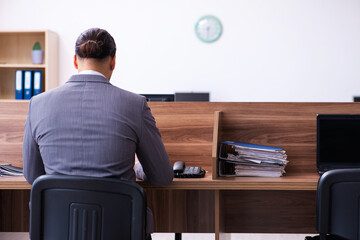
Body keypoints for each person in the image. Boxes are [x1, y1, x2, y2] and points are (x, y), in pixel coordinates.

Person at [23, 28, 174, 238]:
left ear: (75, 61)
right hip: (119, 231)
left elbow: (32, 176)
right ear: (113, 62)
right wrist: (138, 168)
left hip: (57, 231)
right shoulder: (135, 104)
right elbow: (163, 176)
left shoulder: (37, 104)